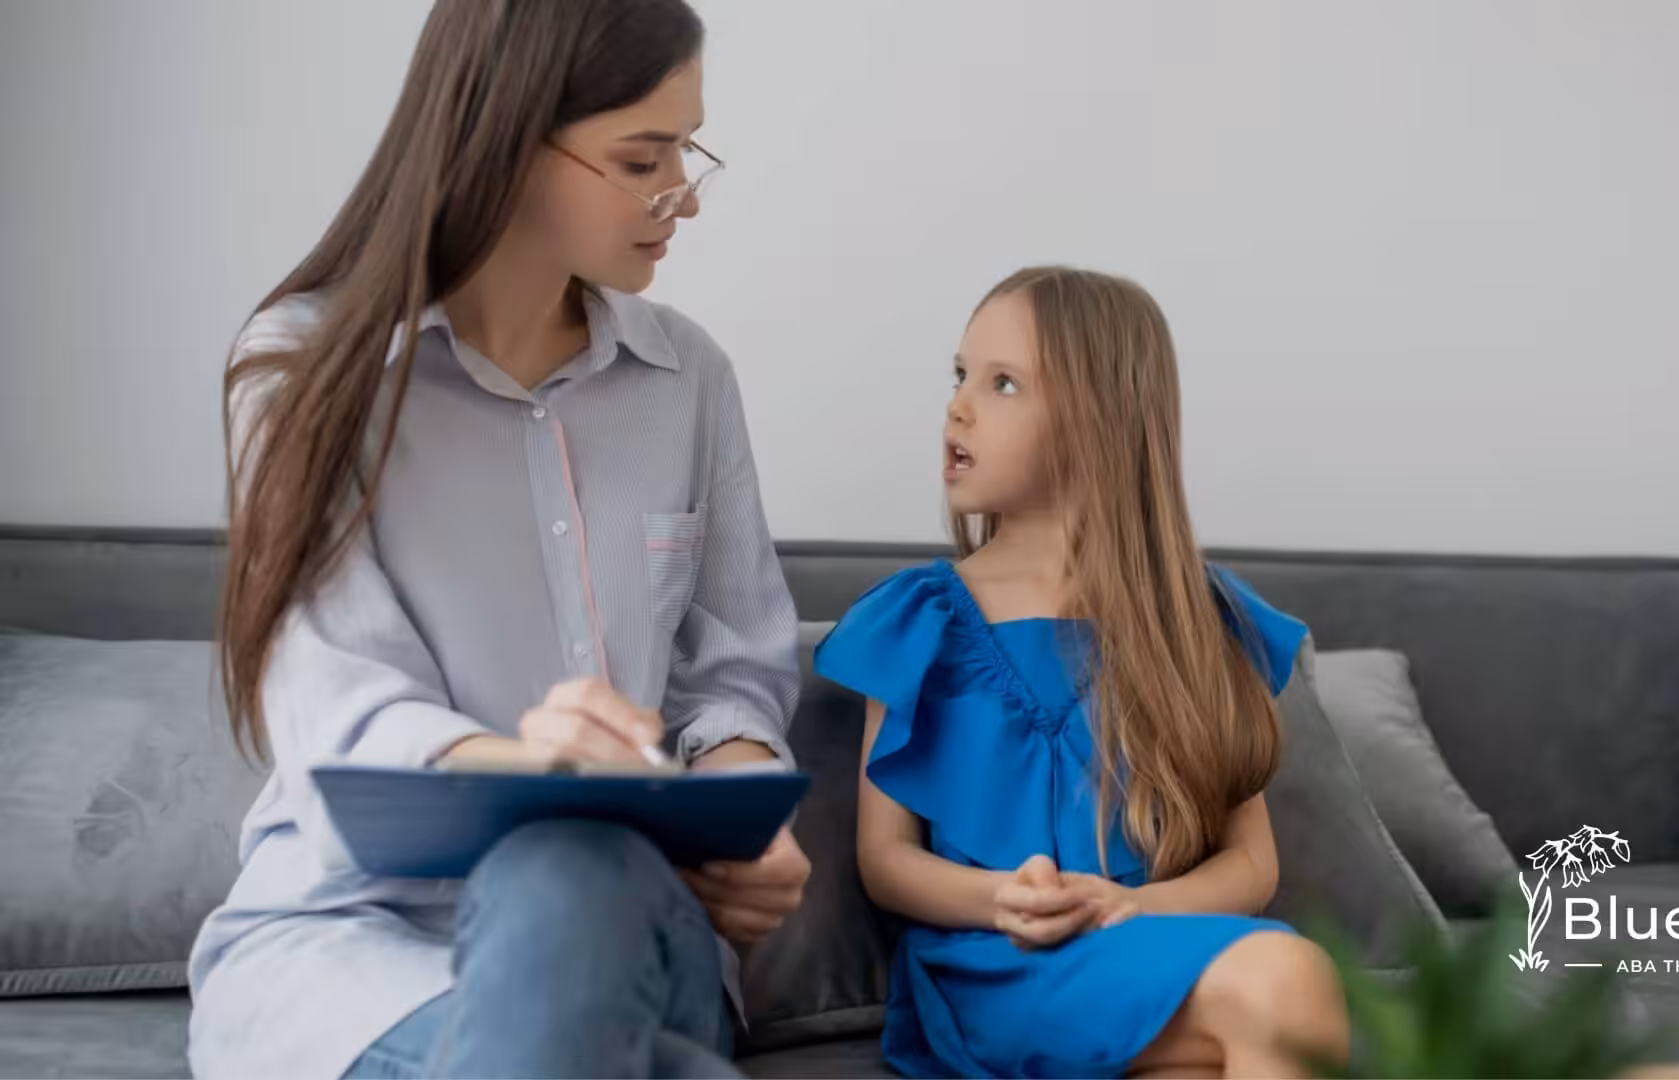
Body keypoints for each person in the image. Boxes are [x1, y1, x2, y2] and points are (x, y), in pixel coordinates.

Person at [187, 2, 809, 1077]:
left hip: (633, 922)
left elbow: (730, 672)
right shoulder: (302, 372)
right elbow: (336, 706)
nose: (686, 196)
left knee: (569, 862)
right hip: (345, 955)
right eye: (642, 157)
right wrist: (536, 763)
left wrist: (741, 800)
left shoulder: (688, 379)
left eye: (687, 148)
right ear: (509, 140)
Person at [812, 267, 1351, 1078]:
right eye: (960, 376)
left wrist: (1134, 906)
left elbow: (1251, 865)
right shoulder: (918, 618)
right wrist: (1002, 900)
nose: (958, 406)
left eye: (1003, 384)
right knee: (1288, 975)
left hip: (1149, 950)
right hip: (993, 967)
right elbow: (885, 860)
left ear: (1099, 420)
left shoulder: (1199, 620)